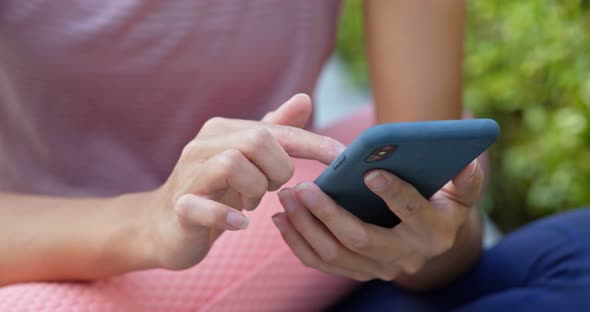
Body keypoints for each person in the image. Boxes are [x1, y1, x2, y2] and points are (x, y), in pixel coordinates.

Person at [2, 1, 588, 311]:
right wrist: (147, 223)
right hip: (49, 261)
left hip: (293, 265)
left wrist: (424, 243)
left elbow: (434, 241)